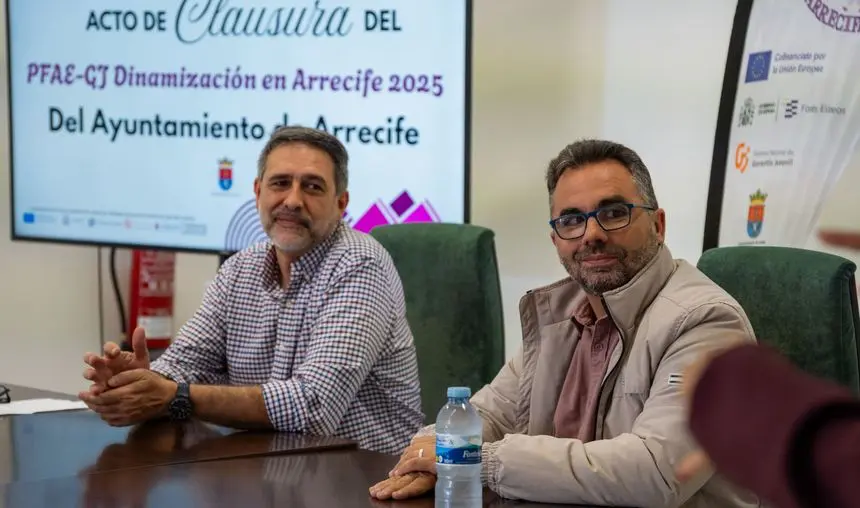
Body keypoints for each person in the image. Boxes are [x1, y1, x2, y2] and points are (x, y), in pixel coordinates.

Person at [369, 139, 760, 507]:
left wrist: (476, 460)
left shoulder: (707, 322)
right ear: (556, 239)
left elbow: (659, 471)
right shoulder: (560, 314)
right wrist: (429, 451)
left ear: (658, 225)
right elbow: (491, 413)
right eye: (572, 220)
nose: (592, 234)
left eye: (614, 213)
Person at [78, 126, 424, 455]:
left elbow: (313, 408)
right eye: (280, 183)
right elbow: (186, 364)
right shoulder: (240, 269)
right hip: (270, 467)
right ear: (258, 192)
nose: (293, 200)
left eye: (313, 187)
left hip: (368, 476)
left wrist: (172, 395)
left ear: (341, 203)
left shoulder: (360, 264)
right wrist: (140, 382)